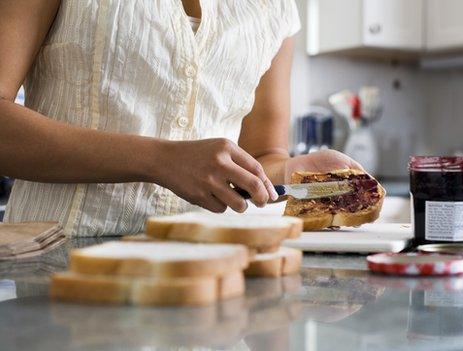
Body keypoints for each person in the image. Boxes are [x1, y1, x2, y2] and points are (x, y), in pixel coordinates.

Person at [0, 0, 362, 236]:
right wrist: (160, 160)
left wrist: (295, 172)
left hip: (207, 270)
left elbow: (264, 155)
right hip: (54, 262)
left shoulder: (277, 7)